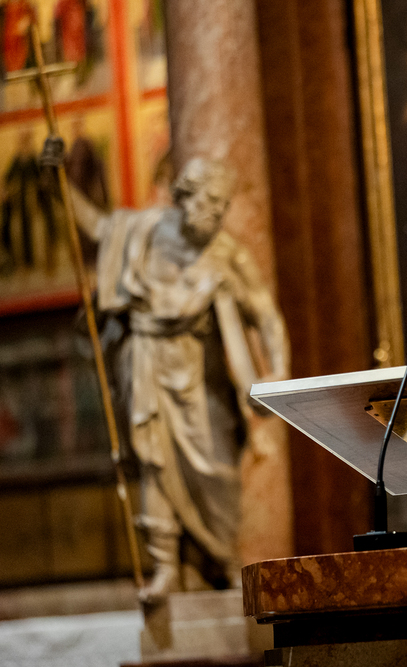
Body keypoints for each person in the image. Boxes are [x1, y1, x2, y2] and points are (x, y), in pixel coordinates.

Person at [66, 156, 290, 603]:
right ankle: (166, 568)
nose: (215, 213)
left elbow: (266, 315)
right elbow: (96, 227)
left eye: (222, 206)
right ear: (184, 196)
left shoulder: (227, 255)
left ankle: (225, 559)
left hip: (202, 376)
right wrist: (59, 186)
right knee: (156, 464)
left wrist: (279, 368)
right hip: (147, 361)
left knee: (219, 469)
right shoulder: (144, 230)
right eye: (208, 201)